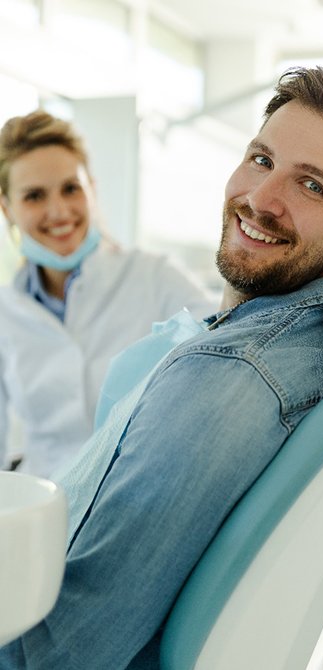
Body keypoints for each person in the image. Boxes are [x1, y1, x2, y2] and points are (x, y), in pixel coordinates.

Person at [0, 66, 323, 668]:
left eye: (313, 187)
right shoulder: (291, 352)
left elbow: (63, 652)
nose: (262, 200)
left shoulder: (229, 373)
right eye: (262, 159)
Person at [0, 110, 217, 477]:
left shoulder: (154, 275)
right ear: (7, 208)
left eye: (71, 188)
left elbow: (224, 337)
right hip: (42, 505)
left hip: (133, 490)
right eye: (34, 196)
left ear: (92, 190)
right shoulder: (6, 312)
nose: (58, 211)